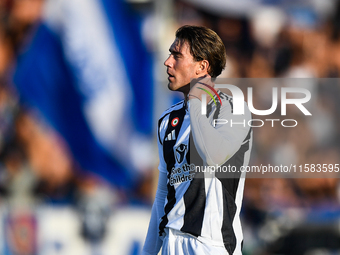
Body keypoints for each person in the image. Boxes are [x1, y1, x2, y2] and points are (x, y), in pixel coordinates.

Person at [142, 25, 252, 255]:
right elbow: (163, 195)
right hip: (172, 242)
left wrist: (195, 99)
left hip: (211, 245)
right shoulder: (167, 120)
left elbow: (214, 155)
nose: (167, 62)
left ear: (202, 67)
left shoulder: (233, 110)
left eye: (177, 56)